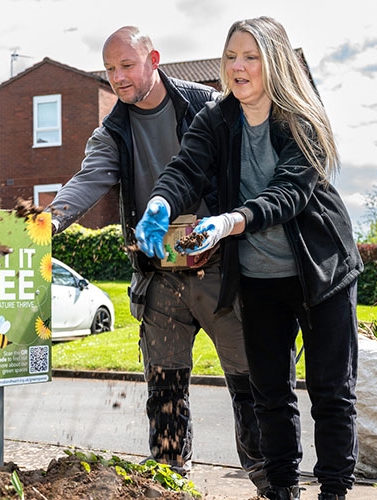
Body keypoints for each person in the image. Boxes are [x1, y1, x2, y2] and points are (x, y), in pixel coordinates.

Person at [135, 16, 362, 500]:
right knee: (270, 397)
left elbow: (288, 195)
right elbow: (185, 169)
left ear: (273, 62)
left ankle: (335, 492)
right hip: (259, 278)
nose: (238, 67)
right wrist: (160, 202)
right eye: (231, 57)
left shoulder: (300, 120)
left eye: (250, 57)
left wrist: (226, 222)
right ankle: (281, 491)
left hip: (320, 275)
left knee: (330, 394)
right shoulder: (216, 119)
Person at [48, 25, 267, 490]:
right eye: (110, 70)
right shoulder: (113, 130)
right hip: (160, 278)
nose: (118, 78)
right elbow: (89, 181)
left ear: (154, 60)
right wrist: (49, 220)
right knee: (164, 389)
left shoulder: (204, 107)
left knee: (250, 383)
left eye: (127, 65)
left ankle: (270, 481)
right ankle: (171, 483)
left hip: (218, 270)